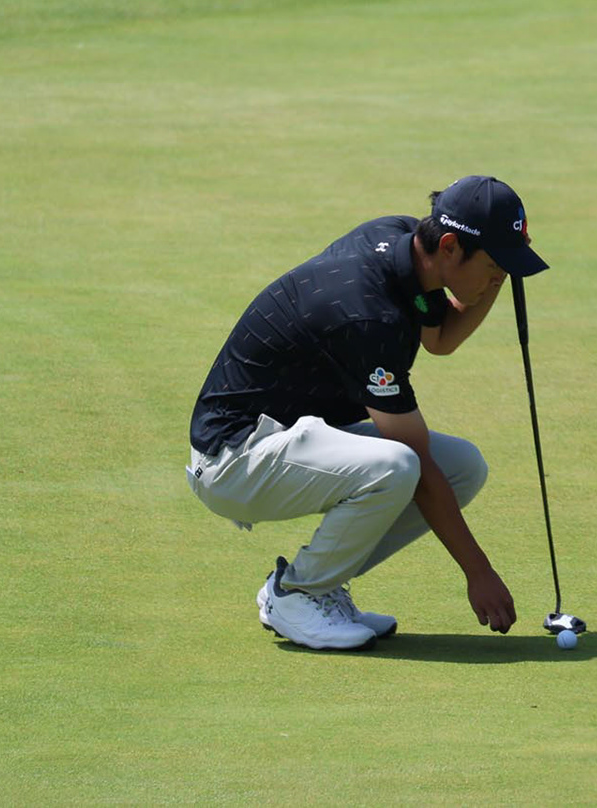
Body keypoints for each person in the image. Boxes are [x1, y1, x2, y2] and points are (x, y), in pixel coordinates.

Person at [184, 175, 547, 650]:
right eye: (494, 265)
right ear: (450, 247)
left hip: (288, 438)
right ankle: (296, 594)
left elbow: (440, 339)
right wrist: (479, 572)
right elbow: (416, 464)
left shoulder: (403, 243)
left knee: (463, 467)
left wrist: (500, 270)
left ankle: (320, 585)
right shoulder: (368, 316)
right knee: (399, 466)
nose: (499, 277)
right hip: (234, 461)